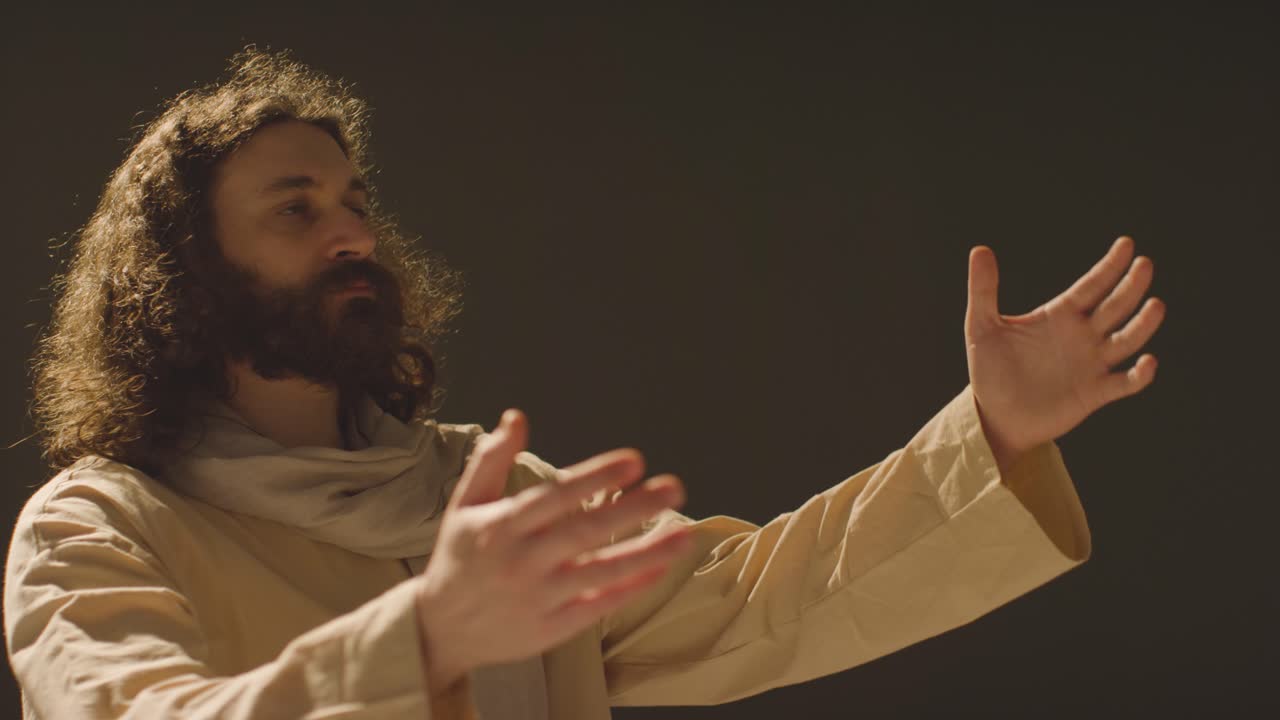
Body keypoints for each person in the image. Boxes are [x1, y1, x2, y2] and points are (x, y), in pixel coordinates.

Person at [3, 48, 1165, 720]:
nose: (352, 233)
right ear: (186, 272)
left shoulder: (482, 496)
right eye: (297, 209)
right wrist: (426, 637)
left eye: (354, 202)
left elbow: (759, 601)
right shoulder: (99, 526)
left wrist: (989, 435)